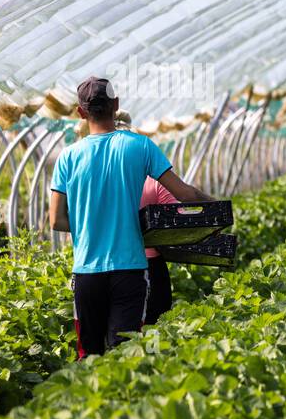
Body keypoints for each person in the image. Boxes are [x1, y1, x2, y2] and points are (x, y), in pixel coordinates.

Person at [49, 76, 210, 357]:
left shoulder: (68, 157)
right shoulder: (140, 146)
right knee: (125, 355)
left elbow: (55, 221)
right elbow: (184, 194)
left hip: (86, 272)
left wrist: (89, 227)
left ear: (81, 112)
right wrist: (214, 205)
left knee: (89, 356)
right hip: (129, 272)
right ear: (116, 105)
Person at [141, 177, 178, 325]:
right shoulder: (154, 182)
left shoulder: (100, 181)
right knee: (154, 328)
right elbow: (176, 218)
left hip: (100, 267)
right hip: (150, 266)